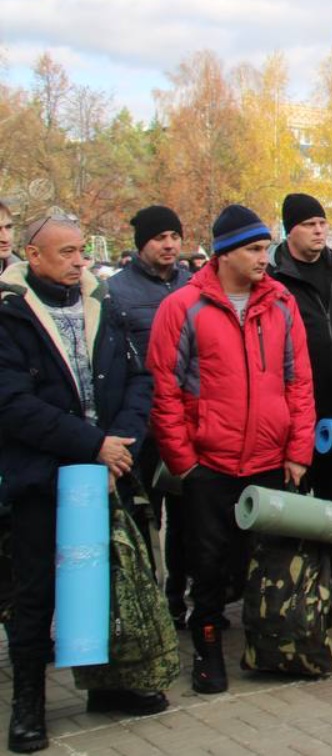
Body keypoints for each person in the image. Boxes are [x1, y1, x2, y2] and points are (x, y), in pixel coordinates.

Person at [0, 214, 166, 751]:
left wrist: (120, 441)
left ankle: (108, 686)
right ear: (34, 254)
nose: (79, 261)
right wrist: (90, 443)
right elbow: (12, 405)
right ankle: (29, 705)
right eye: (67, 252)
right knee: (36, 594)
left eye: (81, 252)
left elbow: (140, 379)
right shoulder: (10, 314)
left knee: (106, 585)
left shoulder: (102, 305)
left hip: (107, 468)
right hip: (43, 477)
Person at [147, 205, 316, 694]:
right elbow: (166, 392)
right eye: (254, 249)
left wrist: (297, 450)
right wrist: (186, 463)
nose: (265, 257)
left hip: (269, 459)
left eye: (266, 248)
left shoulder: (281, 303)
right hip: (210, 464)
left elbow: (298, 382)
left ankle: (266, 645)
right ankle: (207, 650)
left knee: (259, 560)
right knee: (207, 563)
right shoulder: (184, 307)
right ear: (224, 253)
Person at [267, 193, 332, 605]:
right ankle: (299, 576)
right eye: (308, 224)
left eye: (322, 223)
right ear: (289, 229)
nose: (318, 230)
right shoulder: (275, 278)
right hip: (294, 408)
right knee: (296, 495)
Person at [105, 205, 193, 626]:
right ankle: (148, 603)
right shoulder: (116, 293)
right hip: (141, 427)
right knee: (144, 516)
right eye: (160, 238)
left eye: (174, 236)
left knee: (185, 518)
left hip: (187, 423)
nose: (170, 244)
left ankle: (176, 598)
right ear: (143, 243)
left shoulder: (192, 285)